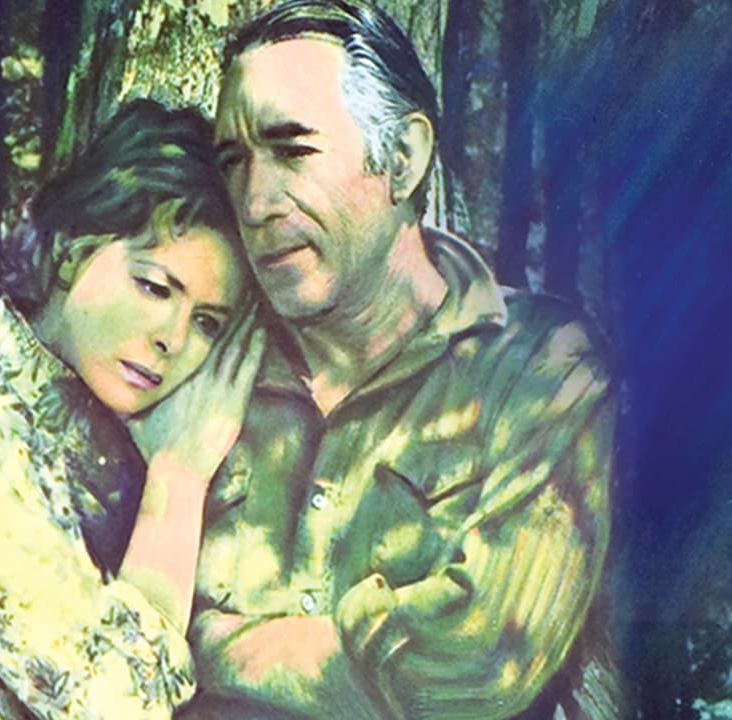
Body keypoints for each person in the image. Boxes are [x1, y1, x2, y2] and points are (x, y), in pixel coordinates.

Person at [179, 2, 617, 718]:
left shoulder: (537, 365)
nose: (255, 202)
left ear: (404, 159)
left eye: (293, 150)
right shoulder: (199, 359)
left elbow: (478, 666)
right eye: (234, 162)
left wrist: (214, 648)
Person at [0, 99, 262, 719]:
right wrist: (178, 484)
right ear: (72, 251)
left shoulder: (128, 438)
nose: (174, 339)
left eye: (207, 322)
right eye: (155, 287)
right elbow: (120, 710)